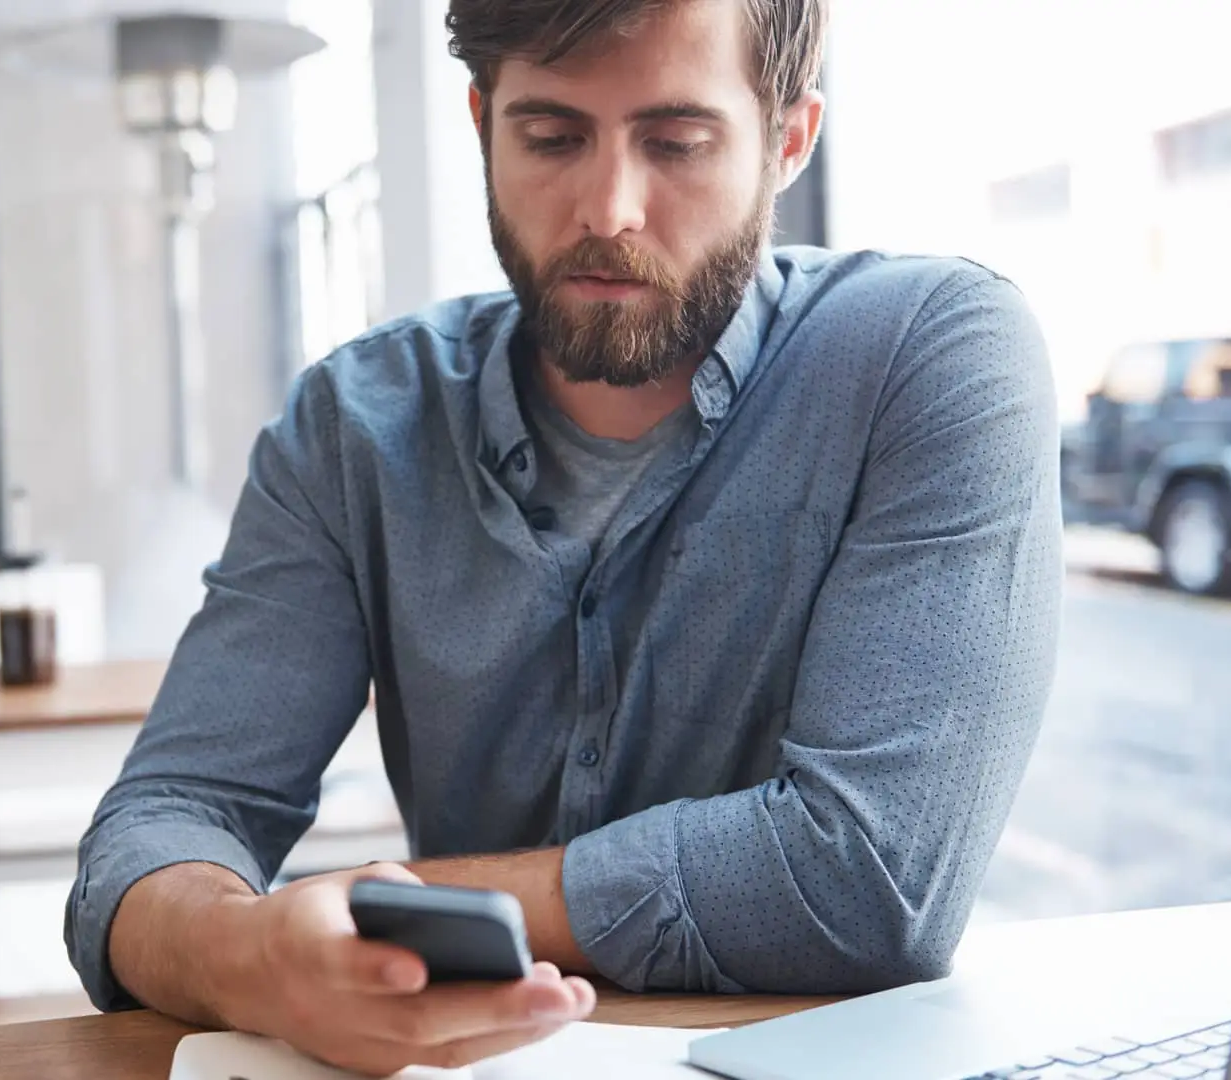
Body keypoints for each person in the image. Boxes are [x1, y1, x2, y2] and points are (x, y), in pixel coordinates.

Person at [65, 0, 1062, 1073]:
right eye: (550, 137)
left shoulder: (930, 356)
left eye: (675, 142)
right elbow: (166, 822)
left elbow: (868, 882)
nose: (608, 209)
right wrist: (247, 952)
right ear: (482, 121)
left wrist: (383, 908)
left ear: (789, 141)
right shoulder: (355, 426)